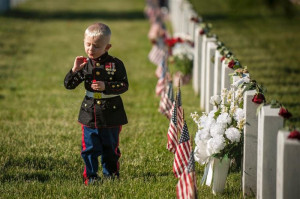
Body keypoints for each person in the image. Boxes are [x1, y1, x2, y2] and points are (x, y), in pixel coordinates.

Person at [64, 22, 129, 185]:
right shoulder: (84, 65)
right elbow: (69, 85)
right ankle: (91, 176)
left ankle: (111, 175)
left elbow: (124, 85)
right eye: (88, 45)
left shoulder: (116, 64)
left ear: (107, 46)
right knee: (89, 149)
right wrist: (74, 70)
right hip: (89, 113)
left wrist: (106, 86)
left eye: (96, 46)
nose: (91, 50)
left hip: (111, 113)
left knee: (111, 148)